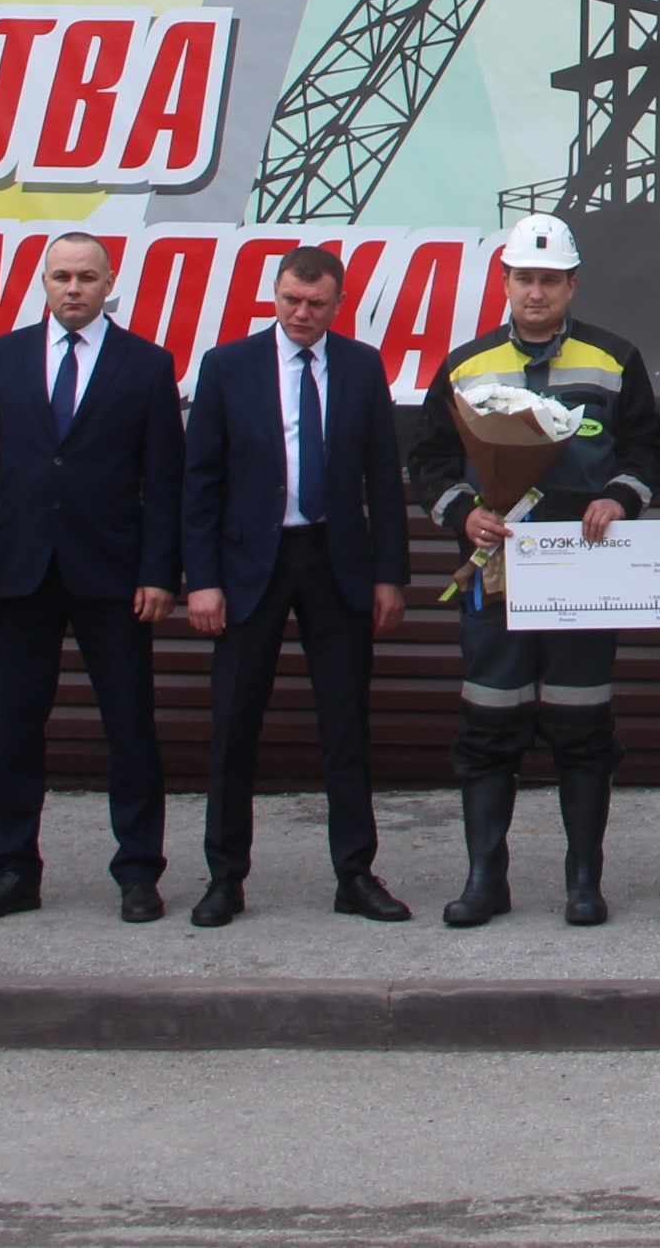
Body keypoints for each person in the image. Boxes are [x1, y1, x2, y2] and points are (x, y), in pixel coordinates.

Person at [410, 213, 660, 929]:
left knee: (582, 729)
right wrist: (463, 514)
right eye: (524, 278)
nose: (536, 292)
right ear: (504, 281)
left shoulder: (614, 359)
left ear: (572, 285)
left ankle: (583, 882)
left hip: (582, 572)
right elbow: (430, 459)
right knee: (488, 727)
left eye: (550, 280)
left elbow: (644, 451)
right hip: (497, 573)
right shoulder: (466, 365)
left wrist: (619, 499)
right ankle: (484, 881)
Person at [0, 232, 181, 924]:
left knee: (130, 726)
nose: (73, 288)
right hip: (22, 569)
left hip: (114, 573)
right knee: (17, 725)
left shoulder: (147, 364)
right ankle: (12, 868)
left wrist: (159, 571)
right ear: (43, 283)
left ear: (109, 283)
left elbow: (164, 480)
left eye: (86, 276)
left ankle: (138, 870)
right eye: (61, 276)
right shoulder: (3, 357)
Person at [180, 246, 412, 927]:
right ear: (274, 296)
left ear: (338, 304)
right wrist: (202, 580)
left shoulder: (362, 366)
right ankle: (225, 877)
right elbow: (200, 482)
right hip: (250, 564)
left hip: (334, 560)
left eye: (315, 303)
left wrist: (389, 574)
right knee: (234, 725)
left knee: (346, 724)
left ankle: (355, 873)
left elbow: (383, 479)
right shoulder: (227, 366)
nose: (301, 314)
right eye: (290, 300)